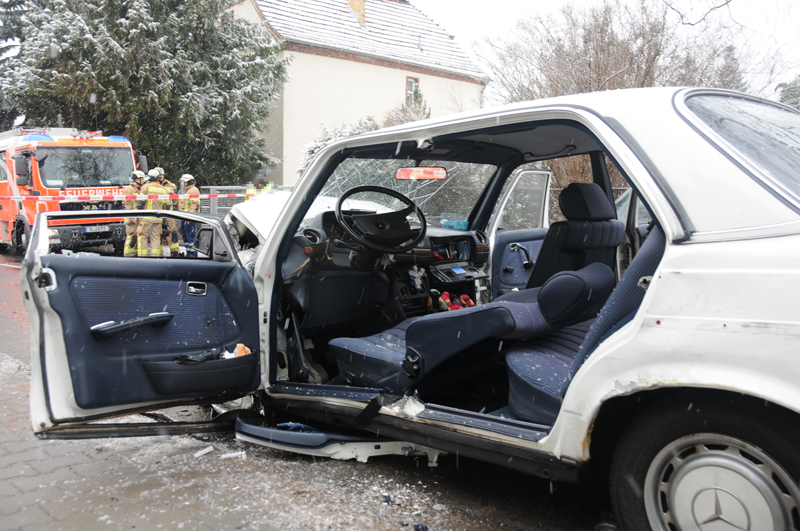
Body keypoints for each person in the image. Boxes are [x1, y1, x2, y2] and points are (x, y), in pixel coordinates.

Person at [137, 170, 169, 257]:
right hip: (158, 218)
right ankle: (155, 258)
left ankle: (142, 258)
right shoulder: (164, 189)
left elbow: (140, 204)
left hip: (146, 218)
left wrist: (138, 216)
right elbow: (168, 206)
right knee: (156, 238)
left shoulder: (145, 187)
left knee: (142, 237)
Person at [155, 167, 180, 257]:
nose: (161, 176)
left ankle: (175, 253)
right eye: (159, 175)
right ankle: (159, 254)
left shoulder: (170, 185)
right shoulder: (152, 185)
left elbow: (174, 194)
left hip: (168, 212)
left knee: (172, 233)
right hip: (157, 212)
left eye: (162, 175)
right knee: (158, 235)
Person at [122, 171, 145, 257]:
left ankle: (134, 255)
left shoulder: (140, 189)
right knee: (131, 238)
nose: (143, 180)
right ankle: (128, 255)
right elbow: (127, 204)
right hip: (131, 218)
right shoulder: (129, 189)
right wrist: (130, 217)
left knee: (136, 238)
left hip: (137, 218)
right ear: (136, 179)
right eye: (141, 178)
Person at [178, 174, 201, 257]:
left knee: (191, 239)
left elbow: (194, 205)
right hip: (185, 218)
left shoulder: (193, 190)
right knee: (187, 239)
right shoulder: (187, 191)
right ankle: (189, 254)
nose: (182, 183)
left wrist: (190, 218)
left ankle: (193, 255)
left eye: (183, 182)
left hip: (189, 219)